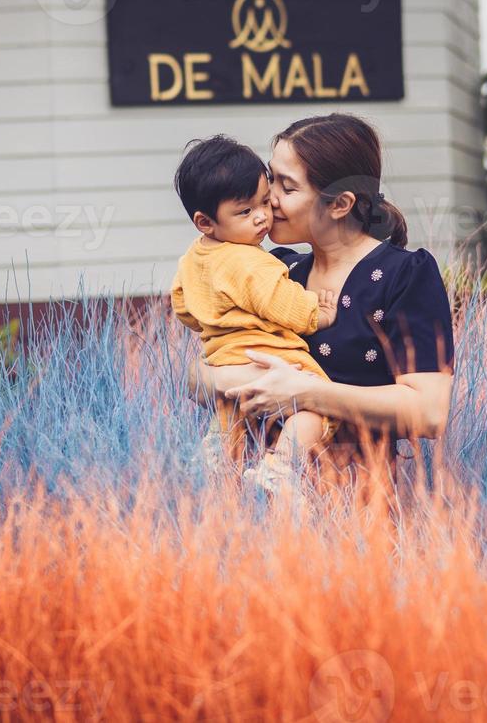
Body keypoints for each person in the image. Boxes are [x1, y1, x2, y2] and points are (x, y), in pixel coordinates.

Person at [188, 112, 456, 496]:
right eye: (271, 177)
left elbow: (429, 412)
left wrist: (305, 392)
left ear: (340, 204)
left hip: (356, 502)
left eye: (288, 187)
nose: (267, 198)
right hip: (248, 497)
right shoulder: (278, 270)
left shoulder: (404, 276)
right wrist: (235, 380)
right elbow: (198, 372)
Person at [169, 135, 343, 495]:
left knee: (232, 416)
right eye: (245, 211)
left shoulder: (193, 258)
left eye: (265, 201)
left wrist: (216, 317)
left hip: (223, 359)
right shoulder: (253, 262)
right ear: (205, 221)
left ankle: (219, 453)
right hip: (270, 357)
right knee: (316, 408)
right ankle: (280, 468)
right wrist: (318, 313)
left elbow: (183, 307)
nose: (263, 216)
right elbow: (284, 305)